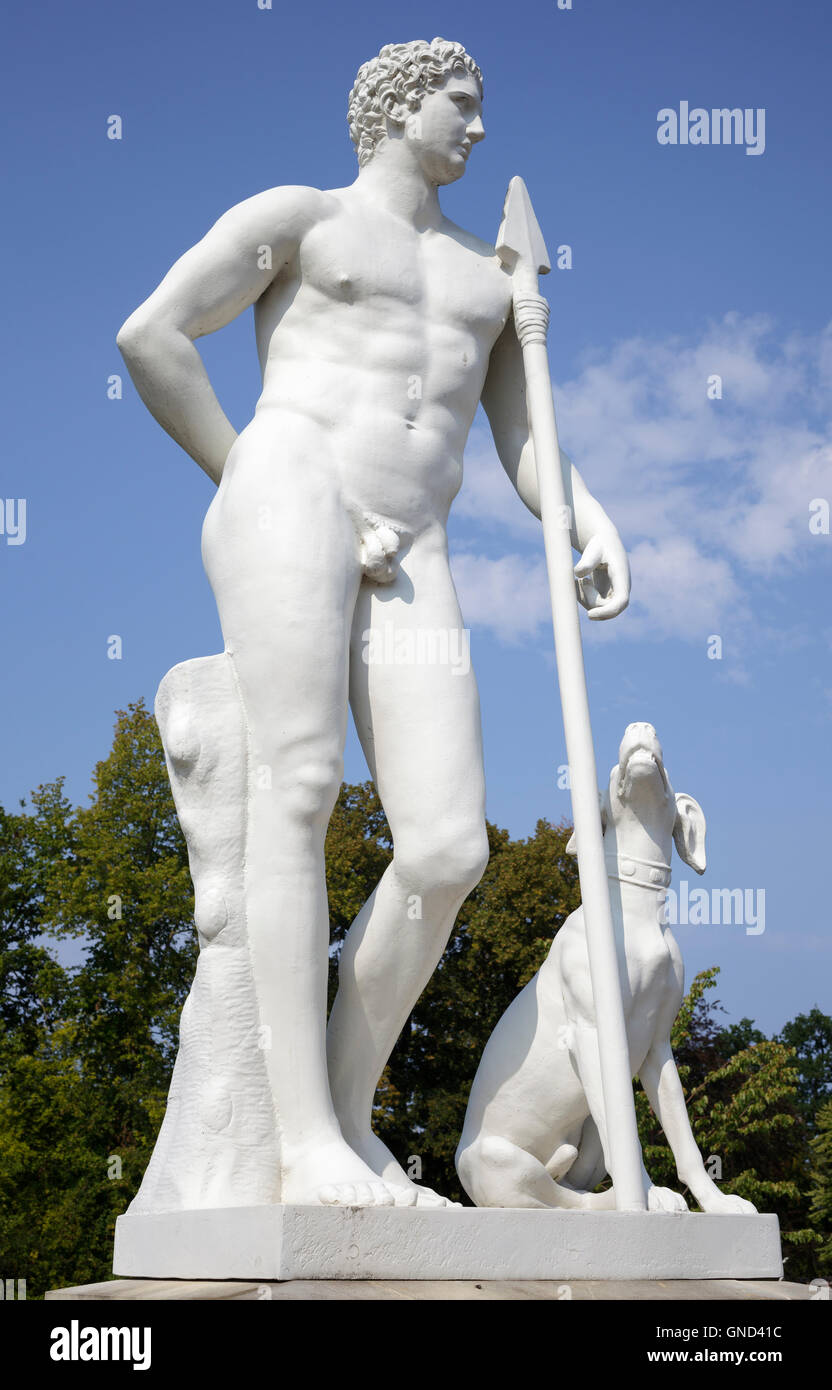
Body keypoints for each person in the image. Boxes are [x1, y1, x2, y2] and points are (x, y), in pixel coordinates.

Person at [117, 37, 630, 1208]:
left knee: (448, 847)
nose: (480, 128)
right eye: (464, 104)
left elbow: (522, 439)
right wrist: (254, 477)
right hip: (295, 490)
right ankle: (298, 1142)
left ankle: (340, 1118)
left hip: (418, 549)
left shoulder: (486, 279)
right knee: (298, 792)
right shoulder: (302, 218)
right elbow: (151, 336)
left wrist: (585, 514)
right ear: (402, 107)